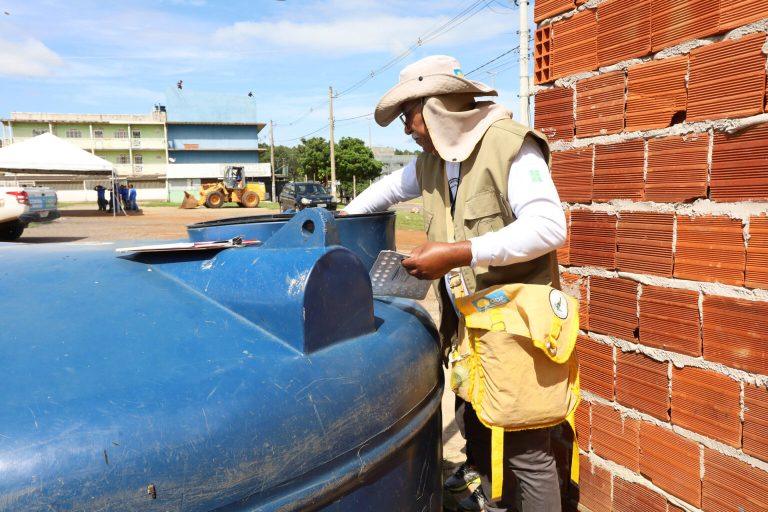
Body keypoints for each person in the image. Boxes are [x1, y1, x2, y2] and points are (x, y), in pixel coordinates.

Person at [343, 55, 569, 512]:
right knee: (475, 428)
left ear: (437, 107)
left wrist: (459, 252)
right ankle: (488, 502)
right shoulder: (432, 162)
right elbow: (384, 192)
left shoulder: (508, 145)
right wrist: (336, 222)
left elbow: (549, 227)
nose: (406, 129)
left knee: (526, 451)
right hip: (468, 330)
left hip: (516, 331)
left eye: (409, 115)